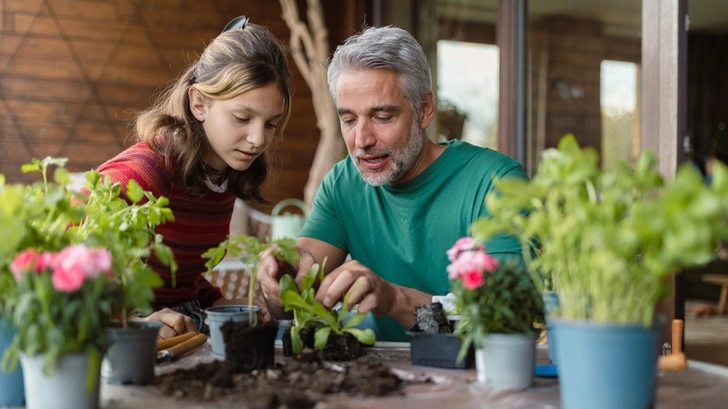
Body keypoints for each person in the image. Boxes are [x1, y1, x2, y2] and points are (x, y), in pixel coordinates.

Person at [257, 26, 526, 342]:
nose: (361, 140)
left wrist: (395, 300)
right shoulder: (343, 184)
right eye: (348, 119)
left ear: (424, 110)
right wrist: (278, 284)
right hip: (393, 381)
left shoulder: (495, 183)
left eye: (382, 117)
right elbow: (287, 305)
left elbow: (508, 323)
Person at [92, 17, 293, 340]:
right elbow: (67, 268)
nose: (258, 139)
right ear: (199, 103)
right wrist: (133, 323)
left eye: (271, 123)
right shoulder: (144, 174)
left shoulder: (224, 176)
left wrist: (230, 304)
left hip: (183, 324)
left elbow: (185, 279)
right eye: (243, 118)